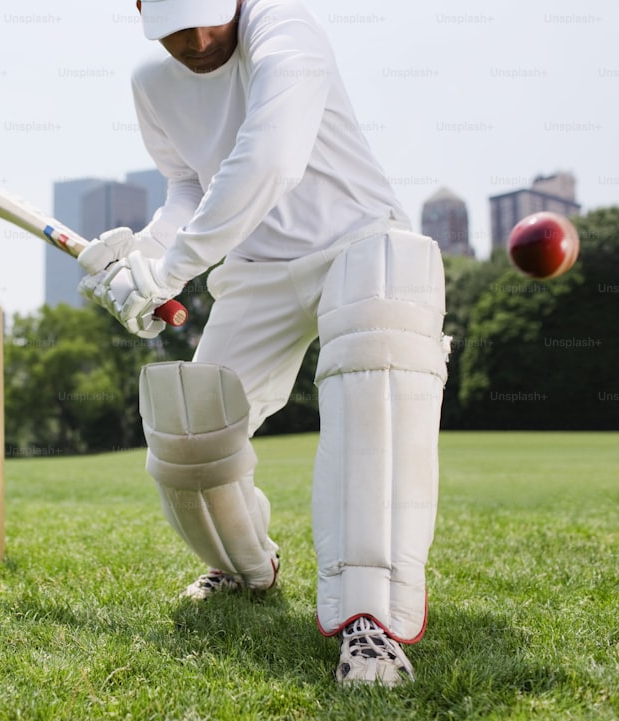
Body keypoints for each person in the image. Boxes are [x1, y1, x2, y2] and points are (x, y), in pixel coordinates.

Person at [77, 0, 450, 686]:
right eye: (174, 23)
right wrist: (141, 257)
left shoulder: (285, 27)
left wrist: (170, 268)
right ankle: (246, 568)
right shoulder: (151, 83)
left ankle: (370, 624)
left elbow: (268, 159)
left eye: (208, 14)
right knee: (192, 433)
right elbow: (190, 183)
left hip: (361, 243)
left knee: (377, 385)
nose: (197, 37)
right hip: (256, 267)